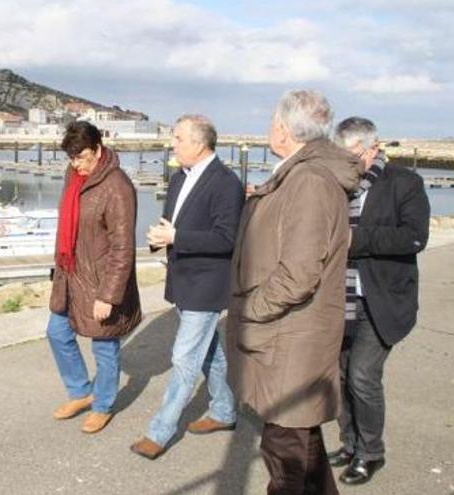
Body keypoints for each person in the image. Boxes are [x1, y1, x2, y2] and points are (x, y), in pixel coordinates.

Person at [226, 90, 363, 494]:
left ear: (284, 130)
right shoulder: (301, 175)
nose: (269, 127)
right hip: (288, 337)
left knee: (285, 453)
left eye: (272, 121)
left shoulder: (309, 181)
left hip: (291, 340)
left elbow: (299, 275)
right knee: (304, 447)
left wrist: (250, 308)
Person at [130, 115, 244, 460]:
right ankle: (224, 411)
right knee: (209, 353)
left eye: (178, 138)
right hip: (181, 279)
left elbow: (227, 239)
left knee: (183, 357)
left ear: (199, 143)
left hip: (207, 284)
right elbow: (172, 225)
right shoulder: (180, 177)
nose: (173, 144)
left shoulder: (227, 184)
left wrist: (176, 237)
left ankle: (159, 432)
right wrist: (160, 240)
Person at [327, 117, 430, 485]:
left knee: (362, 376)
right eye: (341, 157)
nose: (347, 164)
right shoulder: (339, 185)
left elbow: (414, 238)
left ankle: (371, 453)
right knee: (339, 377)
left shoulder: (405, 183)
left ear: (372, 148)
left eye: (352, 156)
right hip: (340, 297)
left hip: (383, 299)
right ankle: (350, 443)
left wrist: (357, 239)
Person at [46, 121, 142, 434]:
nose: (78, 164)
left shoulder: (117, 186)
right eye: (72, 158)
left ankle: (102, 405)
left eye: (84, 157)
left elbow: (123, 247)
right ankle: (81, 391)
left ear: (98, 149)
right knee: (57, 333)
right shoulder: (73, 175)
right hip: (72, 275)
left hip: (102, 282)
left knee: (105, 346)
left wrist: (108, 296)